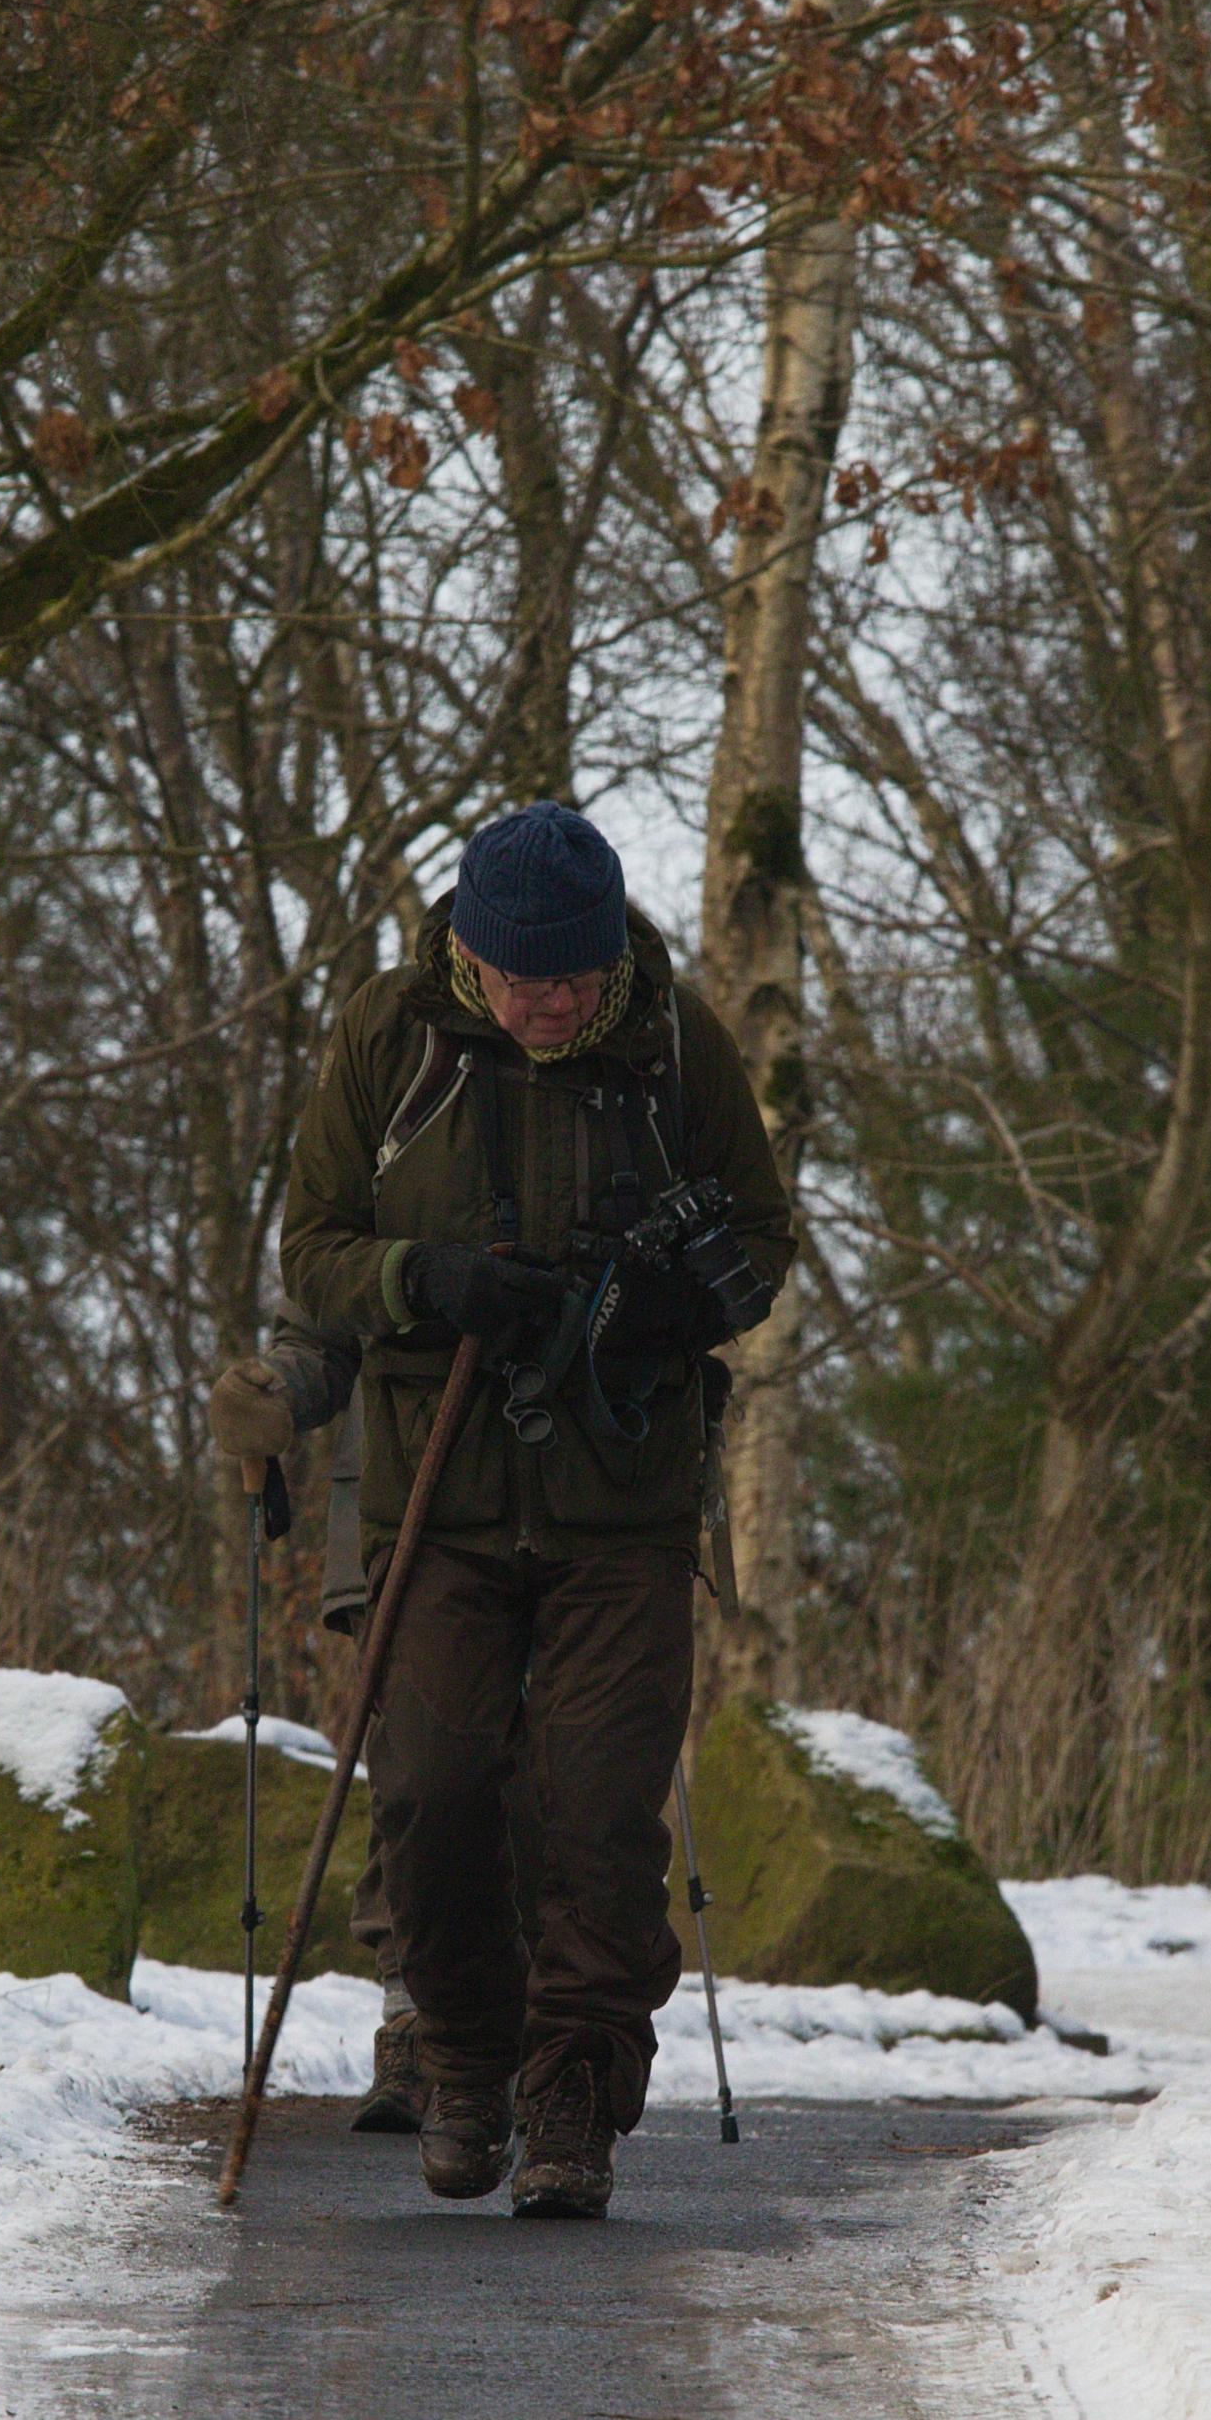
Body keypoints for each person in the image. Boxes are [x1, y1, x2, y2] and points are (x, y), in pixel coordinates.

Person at [206, 802, 796, 2218]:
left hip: (622, 1498)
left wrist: (666, 1298)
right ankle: (462, 2060)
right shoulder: (389, 1041)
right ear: (469, 953)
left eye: (570, 980)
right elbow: (317, 1251)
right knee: (435, 1788)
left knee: (599, 1809)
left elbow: (763, 1243)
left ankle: (575, 2095)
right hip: (437, 1491)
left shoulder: (672, 1048)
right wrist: (428, 1281)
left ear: (606, 962)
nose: (546, 1003)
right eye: (521, 977)